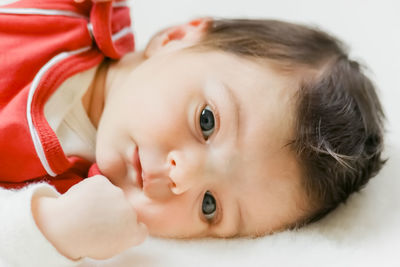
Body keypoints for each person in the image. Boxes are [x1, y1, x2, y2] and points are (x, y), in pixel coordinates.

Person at [0, 0, 385, 266]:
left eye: (209, 207)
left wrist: (49, 228)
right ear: (176, 38)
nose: (181, 176)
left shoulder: (63, 195)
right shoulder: (70, 14)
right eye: (206, 121)